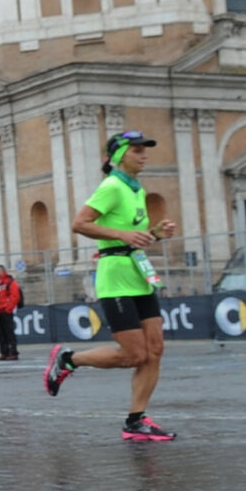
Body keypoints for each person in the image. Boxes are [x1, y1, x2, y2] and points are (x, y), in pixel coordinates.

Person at [45, 131, 179, 442]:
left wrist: (154, 233)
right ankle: (68, 359)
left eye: (144, 149)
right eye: (136, 150)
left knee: (155, 350)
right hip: (115, 278)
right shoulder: (112, 186)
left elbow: (132, 233)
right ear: (119, 156)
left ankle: (136, 420)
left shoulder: (136, 188)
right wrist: (122, 236)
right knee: (133, 355)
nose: (143, 155)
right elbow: (80, 223)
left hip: (139, 275)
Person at [0, 265, 22, 361]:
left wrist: (8, 309)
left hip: (5, 311)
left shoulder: (10, 282)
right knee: (1, 334)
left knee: (9, 332)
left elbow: (15, 297)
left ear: (2, 271)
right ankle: (4, 352)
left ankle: (13, 352)